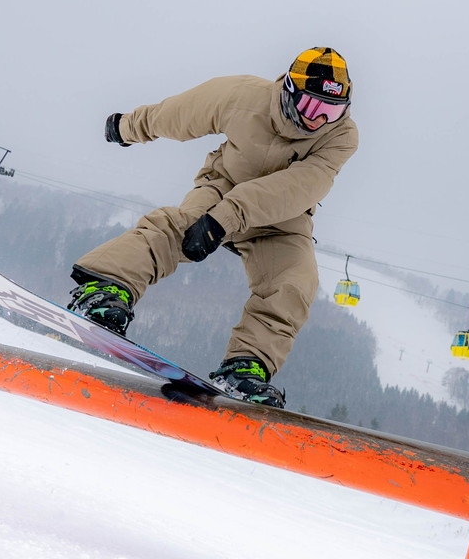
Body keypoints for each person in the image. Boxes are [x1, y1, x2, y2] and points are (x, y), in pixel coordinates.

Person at [67, 47, 359, 409]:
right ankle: (106, 287)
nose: (319, 119)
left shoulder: (341, 136)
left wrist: (229, 217)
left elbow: (301, 186)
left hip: (282, 218)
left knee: (295, 280)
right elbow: (179, 114)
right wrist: (129, 127)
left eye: (331, 111)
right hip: (222, 188)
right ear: (288, 90)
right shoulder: (243, 97)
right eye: (311, 107)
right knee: (178, 229)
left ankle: (246, 365)